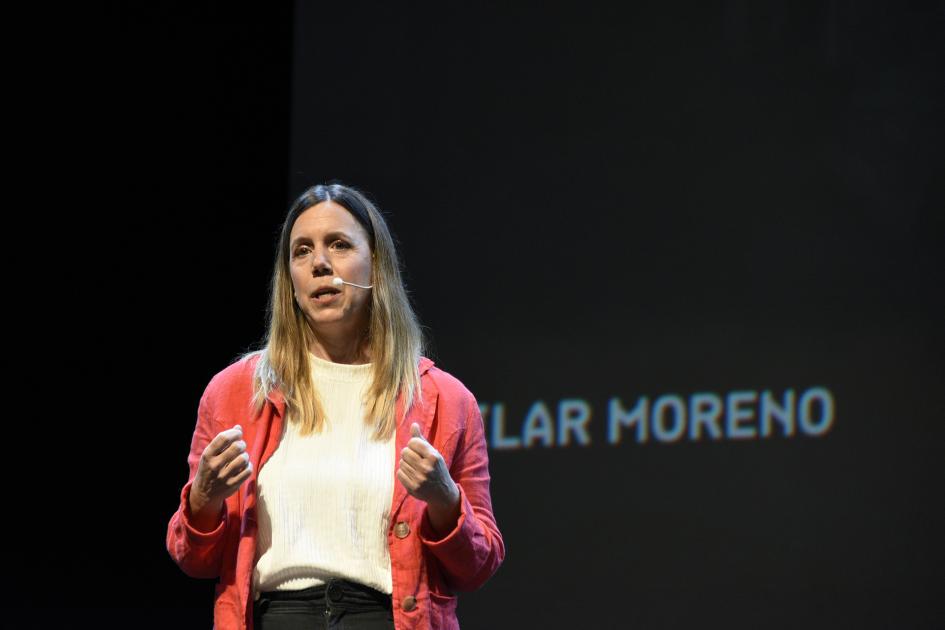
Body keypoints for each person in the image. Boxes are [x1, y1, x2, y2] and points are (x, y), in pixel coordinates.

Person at [166, 183, 505, 630]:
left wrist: (445, 501)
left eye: (339, 245)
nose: (319, 263)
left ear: (377, 265)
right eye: (301, 251)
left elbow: (478, 566)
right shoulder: (234, 392)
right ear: (289, 279)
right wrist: (204, 501)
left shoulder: (444, 399)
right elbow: (194, 559)